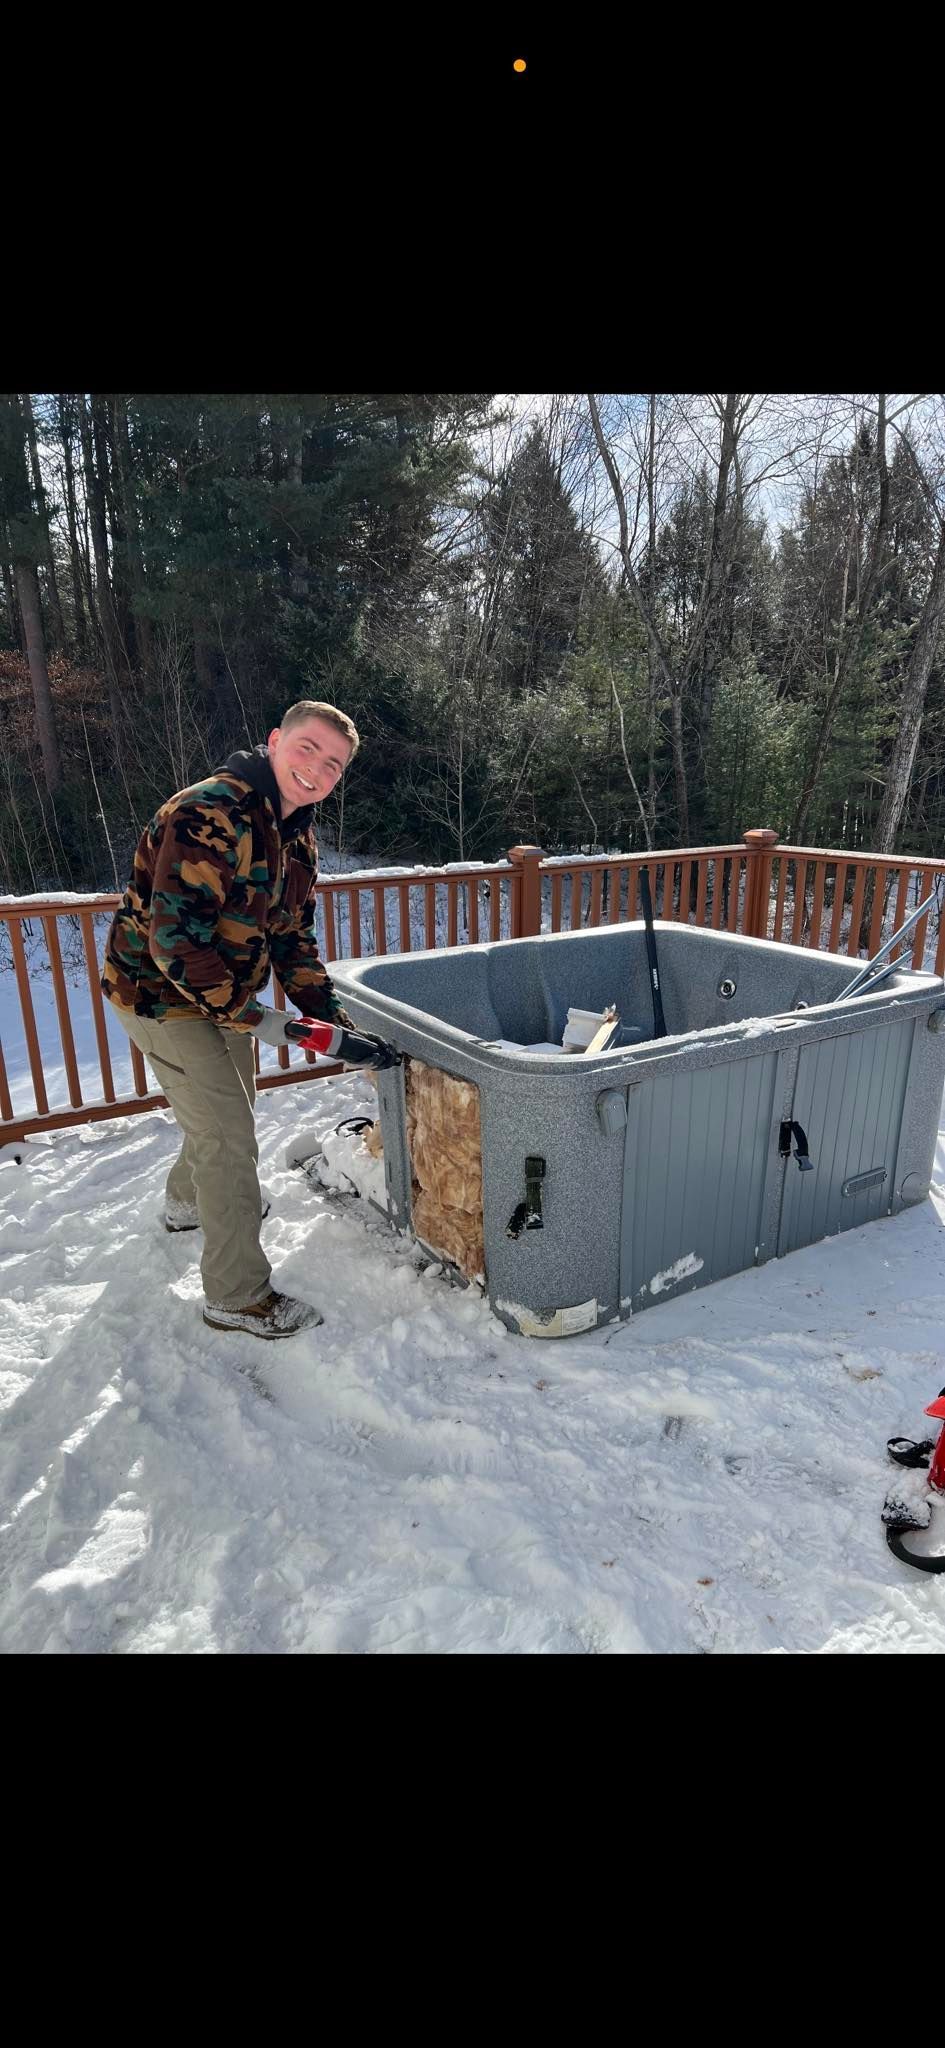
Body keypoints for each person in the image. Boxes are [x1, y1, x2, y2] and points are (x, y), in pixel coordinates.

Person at [102, 700, 397, 1340]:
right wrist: (253, 1017)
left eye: (334, 763)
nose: (316, 768)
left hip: (225, 996)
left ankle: (188, 1202)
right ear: (273, 742)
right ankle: (237, 1296)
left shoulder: (297, 837)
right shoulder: (210, 813)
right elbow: (174, 941)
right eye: (307, 748)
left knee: (226, 1110)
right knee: (229, 1137)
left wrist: (333, 1018)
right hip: (158, 994)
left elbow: (291, 938)